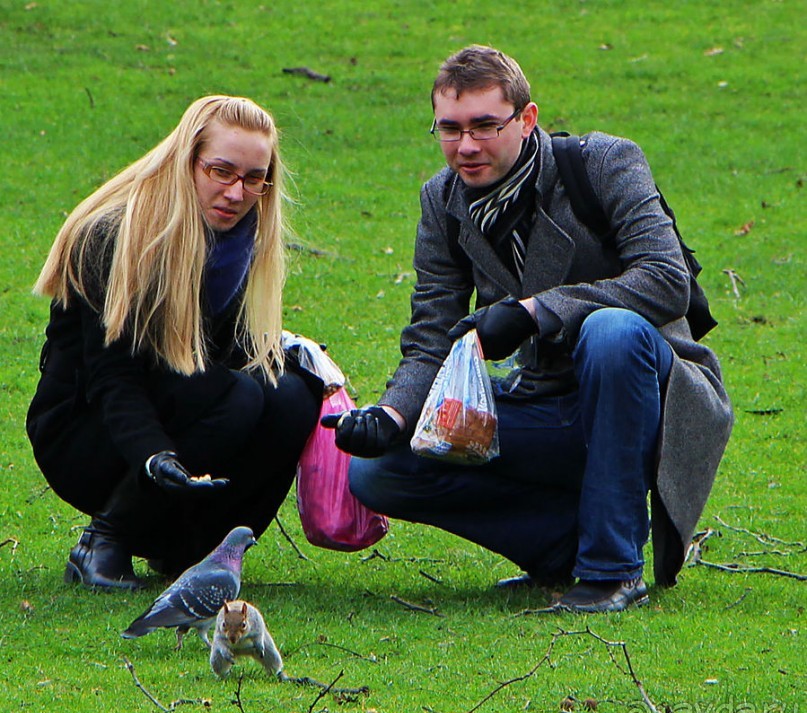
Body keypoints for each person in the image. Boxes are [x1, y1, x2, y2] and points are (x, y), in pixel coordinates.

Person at [322, 45, 733, 612]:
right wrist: (390, 415)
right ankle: (565, 550)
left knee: (610, 332)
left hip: (649, 401)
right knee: (378, 472)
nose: (466, 147)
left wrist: (537, 310)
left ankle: (612, 571)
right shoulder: (442, 201)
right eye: (450, 129)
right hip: (545, 406)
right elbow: (433, 330)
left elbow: (666, 280)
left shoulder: (604, 163)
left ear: (527, 118)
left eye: (485, 126)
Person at [27, 95, 322, 590]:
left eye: (254, 179)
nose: (237, 192)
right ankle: (106, 539)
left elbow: (223, 355)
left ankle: (194, 551)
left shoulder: (244, 237)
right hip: (87, 427)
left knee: (294, 393)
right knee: (239, 395)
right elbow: (112, 377)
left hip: (177, 405)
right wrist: (154, 455)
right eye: (221, 172)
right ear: (187, 161)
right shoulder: (113, 234)